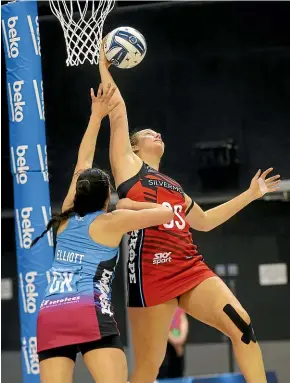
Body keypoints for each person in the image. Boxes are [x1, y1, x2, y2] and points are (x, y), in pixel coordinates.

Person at [99, 45, 281, 383]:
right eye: (148, 133)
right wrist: (104, 66)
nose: (157, 133)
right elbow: (117, 108)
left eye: (158, 132)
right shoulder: (127, 165)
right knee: (147, 369)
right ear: (134, 146)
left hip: (189, 267)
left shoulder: (174, 187)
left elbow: (207, 221)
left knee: (242, 326)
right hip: (150, 274)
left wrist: (252, 194)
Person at [31, 83, 174, 383]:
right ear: (107, 196)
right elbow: (165, 212)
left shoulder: (66, 216)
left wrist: (96, 117)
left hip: (51, 314)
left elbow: (81, 164)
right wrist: (130, 203)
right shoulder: (113, 220)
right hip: (88, 311)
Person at [157, 307, 189, 379]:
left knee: (177, 372)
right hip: (164, 348)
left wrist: (181, 338)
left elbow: (183, 320)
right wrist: (174, 340)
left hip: (178, 348)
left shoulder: (178, 307)